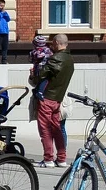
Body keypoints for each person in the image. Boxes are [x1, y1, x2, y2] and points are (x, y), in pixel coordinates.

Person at [31, 33, 74, 168]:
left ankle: (48, 159)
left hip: (47, 98)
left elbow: (41, 76)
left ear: (56, 43)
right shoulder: (70, 60)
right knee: (57, 129)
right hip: (58, 99)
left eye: (53, 43)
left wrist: (33, 75)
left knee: (45, 129)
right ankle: (61, 159)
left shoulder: (55, 59)